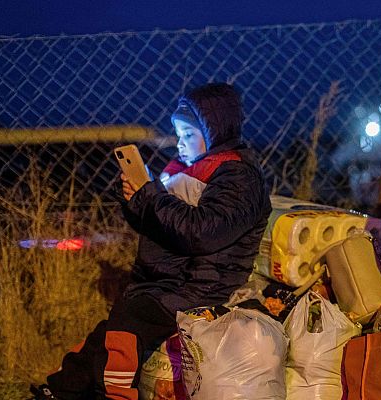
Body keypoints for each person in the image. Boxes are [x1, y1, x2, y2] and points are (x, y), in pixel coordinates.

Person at [30, 82, 272, 400]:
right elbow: (161, 220)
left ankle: (113, 394)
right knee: (109, 330)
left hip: (204, 285)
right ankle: (64, 388)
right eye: (179, 135)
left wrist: (151, 197)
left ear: (214, 132)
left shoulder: (238, 177)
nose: (181, 144)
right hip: (169, 280)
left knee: (128, 324)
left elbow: (202, 232)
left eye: (188, 135)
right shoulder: (188, 169)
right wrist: (136, 200)